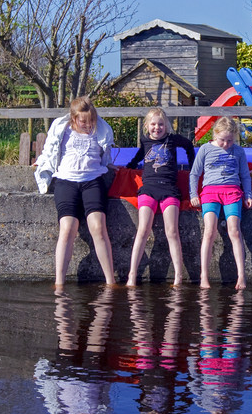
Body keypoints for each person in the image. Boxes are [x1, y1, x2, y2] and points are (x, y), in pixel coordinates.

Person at [35, 97, 117, 286]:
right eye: (83, 121)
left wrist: (110, 165)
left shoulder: (101, 129)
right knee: (67, 228)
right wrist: (41, 163)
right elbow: (50, 150)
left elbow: (105, 154)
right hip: (66, 181)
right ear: (73, 118)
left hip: (92, 180)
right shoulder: (61, 129)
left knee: (98, 226)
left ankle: (110, 281)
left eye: (91, 121)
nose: (88, 125)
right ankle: (59, 283)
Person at [125, 107, 196, 286]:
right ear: (147, 126)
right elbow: (140, 154)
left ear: (167, 126)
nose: (157, 128)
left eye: (161, 124)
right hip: (148, 189)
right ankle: (132, 275)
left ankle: (178, 275)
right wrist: (130, 165)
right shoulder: (145, 140)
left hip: (169, 190)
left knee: (171, 231)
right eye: (154, 124)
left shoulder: (172, 140)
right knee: (143, 230)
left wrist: (192, 166)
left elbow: (188, 145)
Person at [188, 117, 252, 289]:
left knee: (235, 231)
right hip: (210, 192)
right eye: (222, 140)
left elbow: (245, 175)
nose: (226, 144)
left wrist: (248, 195)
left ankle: (241, 276)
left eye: (230, 140)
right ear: (215, 135)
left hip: (232, 192)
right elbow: (194, 174)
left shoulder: (238, 151)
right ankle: (204, 276)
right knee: (209, 231)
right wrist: (193, 194)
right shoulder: (205, 149)